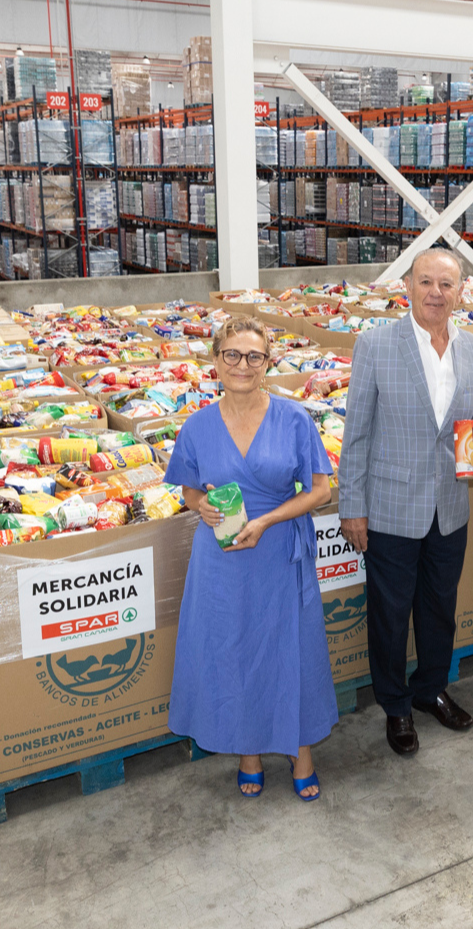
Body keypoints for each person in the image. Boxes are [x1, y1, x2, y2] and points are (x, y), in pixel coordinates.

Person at [166, 316, 339, 799]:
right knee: (233, 650)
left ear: (269, 362)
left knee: (290, 650)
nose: (243, 365)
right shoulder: (197, 425)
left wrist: (265, 521)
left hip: (279, 549)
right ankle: (248, 749)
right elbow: (188, 489)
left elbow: (321, 491)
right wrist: (204, 507)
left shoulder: (295, 420)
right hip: (222, 558)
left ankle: (301, 749)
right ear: (216, 361)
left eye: (254, 356)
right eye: (232, 355)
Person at [338, 248, 473, 757]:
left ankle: (430, 689)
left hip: (449, 506)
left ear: (461, 291)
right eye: (426, 282)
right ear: (407, 285)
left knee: (439, 610)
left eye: (447, 284)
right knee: (389, 613)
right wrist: (351, 506)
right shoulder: (376, 345)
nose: (435, 293)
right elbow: (355, 434)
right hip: (389, 506)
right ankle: (396, 705)